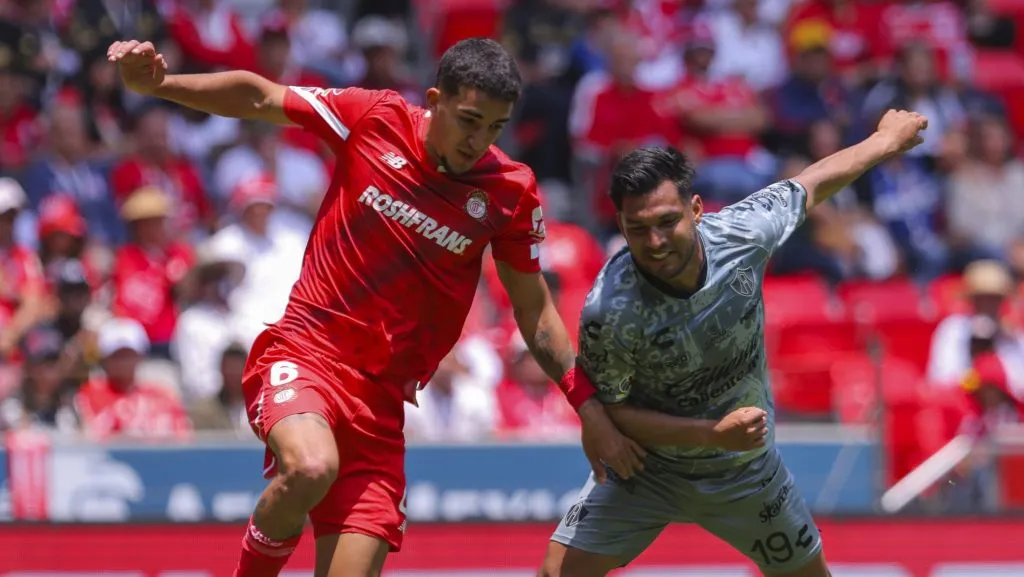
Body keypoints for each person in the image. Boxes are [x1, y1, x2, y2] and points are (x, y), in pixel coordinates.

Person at [107, 37, 644, 577]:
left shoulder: (509, 192)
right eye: (468, 120)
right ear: (435, 99)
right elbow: (260, 98)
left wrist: (588, 408)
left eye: (495, 127)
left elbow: (534, 312)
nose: (477, 141)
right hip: (307, 354)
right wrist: (160, 85)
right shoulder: (375, 118)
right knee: (311, 466)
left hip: (382, 406)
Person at [540, 109, 928, 577]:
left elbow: (814, 181)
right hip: (645, 472)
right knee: (557, 574)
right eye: (638, 229)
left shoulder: (743, 233)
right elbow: (607, 413)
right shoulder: (610, 309)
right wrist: (709, 434)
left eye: (667, 221)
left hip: (745, 471)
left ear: (697, 210)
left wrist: (886, 139)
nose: (656, 241)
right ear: (620, 226)